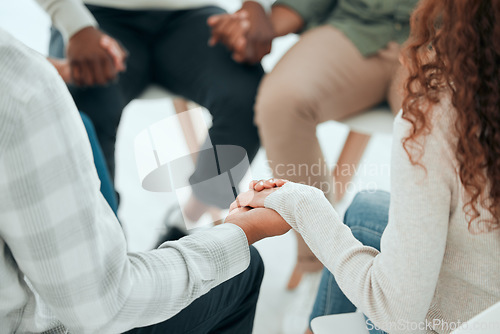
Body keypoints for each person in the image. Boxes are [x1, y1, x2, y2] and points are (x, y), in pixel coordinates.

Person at [230, 0, 500, 332]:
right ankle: (315, 276)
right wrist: (263, 16)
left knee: (432, 133)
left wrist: (305, 206)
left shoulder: (432, 115)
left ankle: (328, 277)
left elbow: (396, 313)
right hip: (361, 27)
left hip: (452, 321)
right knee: (364, 208)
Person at [0, 29, 293, 334]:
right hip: (56, 320)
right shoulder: (21, 92)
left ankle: (186, 215)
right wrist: (242, 233)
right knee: (243, 267)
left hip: (181, 21)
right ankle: (117, 251)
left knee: (82, 123)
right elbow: (104, 307)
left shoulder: (24, 83)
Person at [208, 0, 418, 289]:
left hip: (444, 38)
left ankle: (428, 280)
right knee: (281, 102)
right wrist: (258, 23)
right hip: (356, 26)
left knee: (442, 130)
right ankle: (317, 266)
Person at [36, 0, 269, 236]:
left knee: (249, 98)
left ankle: (185, 220)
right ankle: (104, 239)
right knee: (84, 111)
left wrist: (256, 5)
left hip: (191, 15)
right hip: (92, 17)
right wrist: (77, 27)